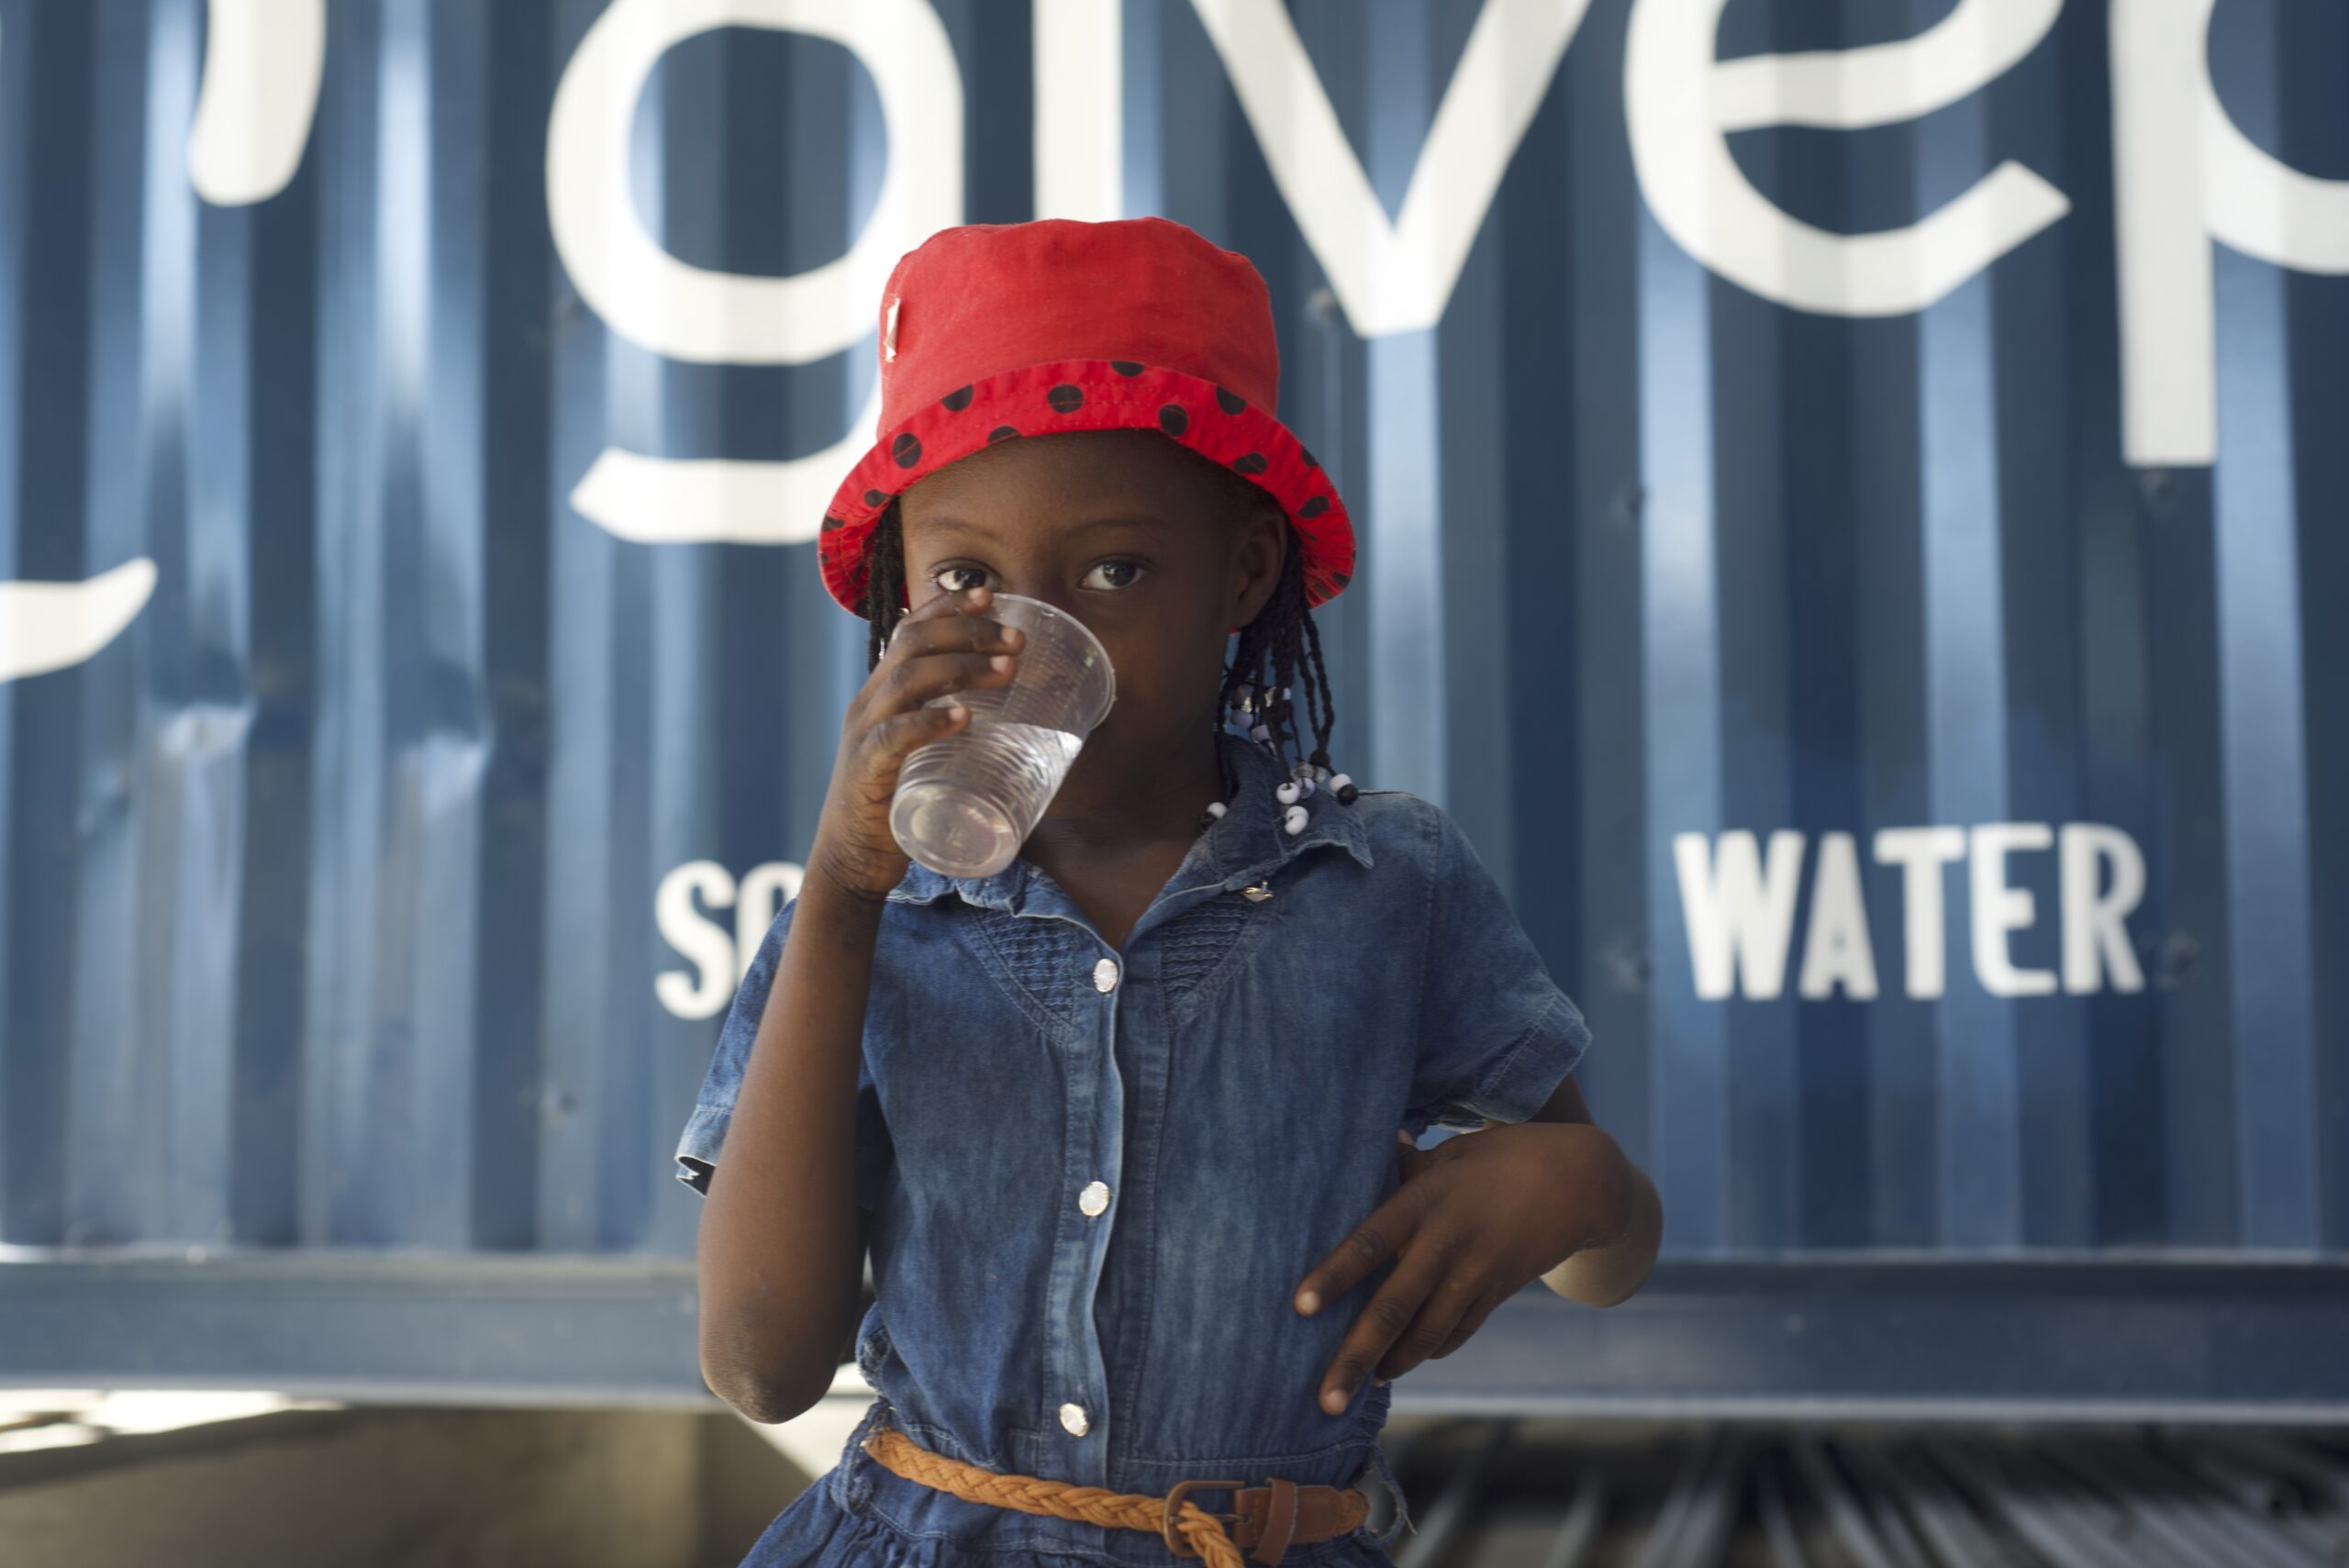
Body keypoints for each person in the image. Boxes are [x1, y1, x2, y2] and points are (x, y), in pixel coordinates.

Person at [674, 216, 1663, 1567]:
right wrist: (844, 887)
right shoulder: (871, 920)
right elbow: (760, 1365)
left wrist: (1586, 1184)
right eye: (965, 576)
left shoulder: (1385, 885)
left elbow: (1606, 1257)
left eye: (1113, 571)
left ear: (1244, 572)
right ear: (902, 590)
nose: (1028, 638)